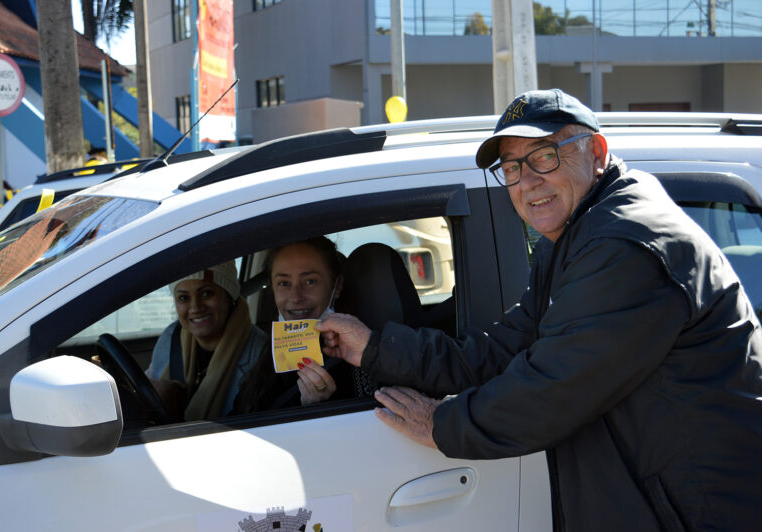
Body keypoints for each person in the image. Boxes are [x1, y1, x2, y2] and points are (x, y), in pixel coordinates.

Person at [317, 89, 762, 530]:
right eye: (511, 167)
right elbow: (503, 349)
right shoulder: (577, 233)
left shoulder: (627, 246)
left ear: (597, 153)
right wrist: (375, 348)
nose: (527, 181)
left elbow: (551, 390)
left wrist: (440, 424)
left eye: (544, 156)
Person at [233, 237, 362, 412]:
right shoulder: (267, 354)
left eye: (310, 281)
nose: (295, 297)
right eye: (284, 283)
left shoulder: (358, 363)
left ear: (337, 286)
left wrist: (318, 410)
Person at [147, 260, 268, 421]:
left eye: (206, 294)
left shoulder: (261, 354)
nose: (195, 307)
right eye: (183, 298)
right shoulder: (171, 337)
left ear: (228, 295)